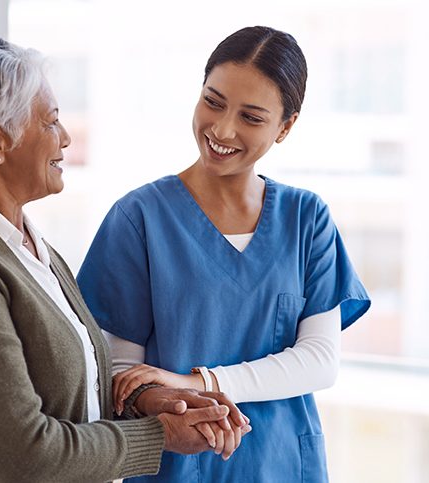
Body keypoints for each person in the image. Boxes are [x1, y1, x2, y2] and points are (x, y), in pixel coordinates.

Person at [77, 26, 371, 483]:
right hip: (177, 465)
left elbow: (318, 360)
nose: (222, 129)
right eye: (213, 101)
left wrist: (201, 382)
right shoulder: (138, 218)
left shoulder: (306, 219)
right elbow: (123, 373)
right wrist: (169, 397)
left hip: (284, 464)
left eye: (252, 117)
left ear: (285, 127)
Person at [0, 24, 251, 483]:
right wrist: (158, 435)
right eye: (50, 120)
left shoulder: (28, 243)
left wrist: (147, 401)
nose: (65, 138)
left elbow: (71, 396)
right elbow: (23, 455)